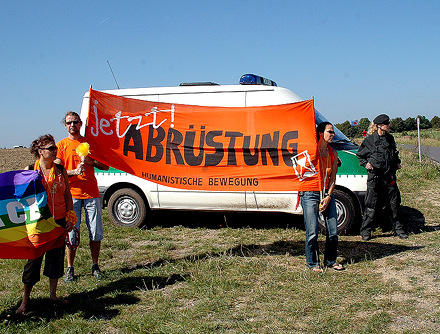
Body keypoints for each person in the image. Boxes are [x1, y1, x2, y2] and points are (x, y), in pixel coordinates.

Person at [17, 134, 75, 315]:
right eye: (51, 148)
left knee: (55, 259)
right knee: (33, 261)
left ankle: (53, 295)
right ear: (40, 152)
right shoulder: (29, 170)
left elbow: (67, 196)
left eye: (55, 148)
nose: (55, 150)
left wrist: (70, 218)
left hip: (58, 222)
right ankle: (25, 301)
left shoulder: (60, 169)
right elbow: (19, 196)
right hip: (38, 223)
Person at [55, 111, 109, 282]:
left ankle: (95, 265)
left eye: (76, 122)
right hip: (72, 197)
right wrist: (72, 172)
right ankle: (70, 268)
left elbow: (105, 166)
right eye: (69, 123)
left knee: (96, 232)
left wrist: (90, 162)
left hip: (92, 194)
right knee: (72, 233)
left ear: (80, 124)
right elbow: (56, 171)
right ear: (65, 125)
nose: (73, 125)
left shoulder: (89, 143)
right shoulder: (61, 146)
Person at [300, 122, 345, 272]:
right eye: (330, 132)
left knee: (333, 230)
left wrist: (328, 196)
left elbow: (333, 179)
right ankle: (313, 262)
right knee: (312, 231)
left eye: (333, 132)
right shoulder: (311, 151)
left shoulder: (333, 153)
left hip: (326, 193)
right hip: (310, 193)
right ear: (321, 133)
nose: (332, 135)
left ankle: (330, 260)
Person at [356, 114, 408, 241]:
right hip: (375, 178)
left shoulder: (390, 139)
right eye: (386, 123)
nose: (389, 125)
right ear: (379, 125)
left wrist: (397, 162)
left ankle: (398, 229)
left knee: (394, 204)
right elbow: (360, 155)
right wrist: (366, 164)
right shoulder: (370, 140)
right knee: (371, 205)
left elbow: (394, 153)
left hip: (389, 177)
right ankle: (366, 231)